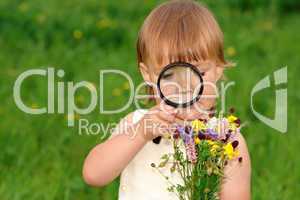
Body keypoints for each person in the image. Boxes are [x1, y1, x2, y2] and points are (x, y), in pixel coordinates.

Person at [82, 1, 251, 199]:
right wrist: (140, 134)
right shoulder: (137, 124)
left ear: (218, 69)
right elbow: (93, 175)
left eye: (200, 72)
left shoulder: (227, 141)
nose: (185, 86)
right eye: (169, 75)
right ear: (148, 75)